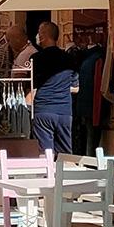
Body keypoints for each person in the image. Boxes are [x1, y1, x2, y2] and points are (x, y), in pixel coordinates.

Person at [25, 21, 76, 155]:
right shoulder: (69, 58)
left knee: (45, 156)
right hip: (65, 111)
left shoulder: (36, 59)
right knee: (65, 157)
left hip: (44, 111)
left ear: (42, 36)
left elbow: (32, 87)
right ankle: (65, 176)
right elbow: (76, 86)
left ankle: (48, 176)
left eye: (38, 33)